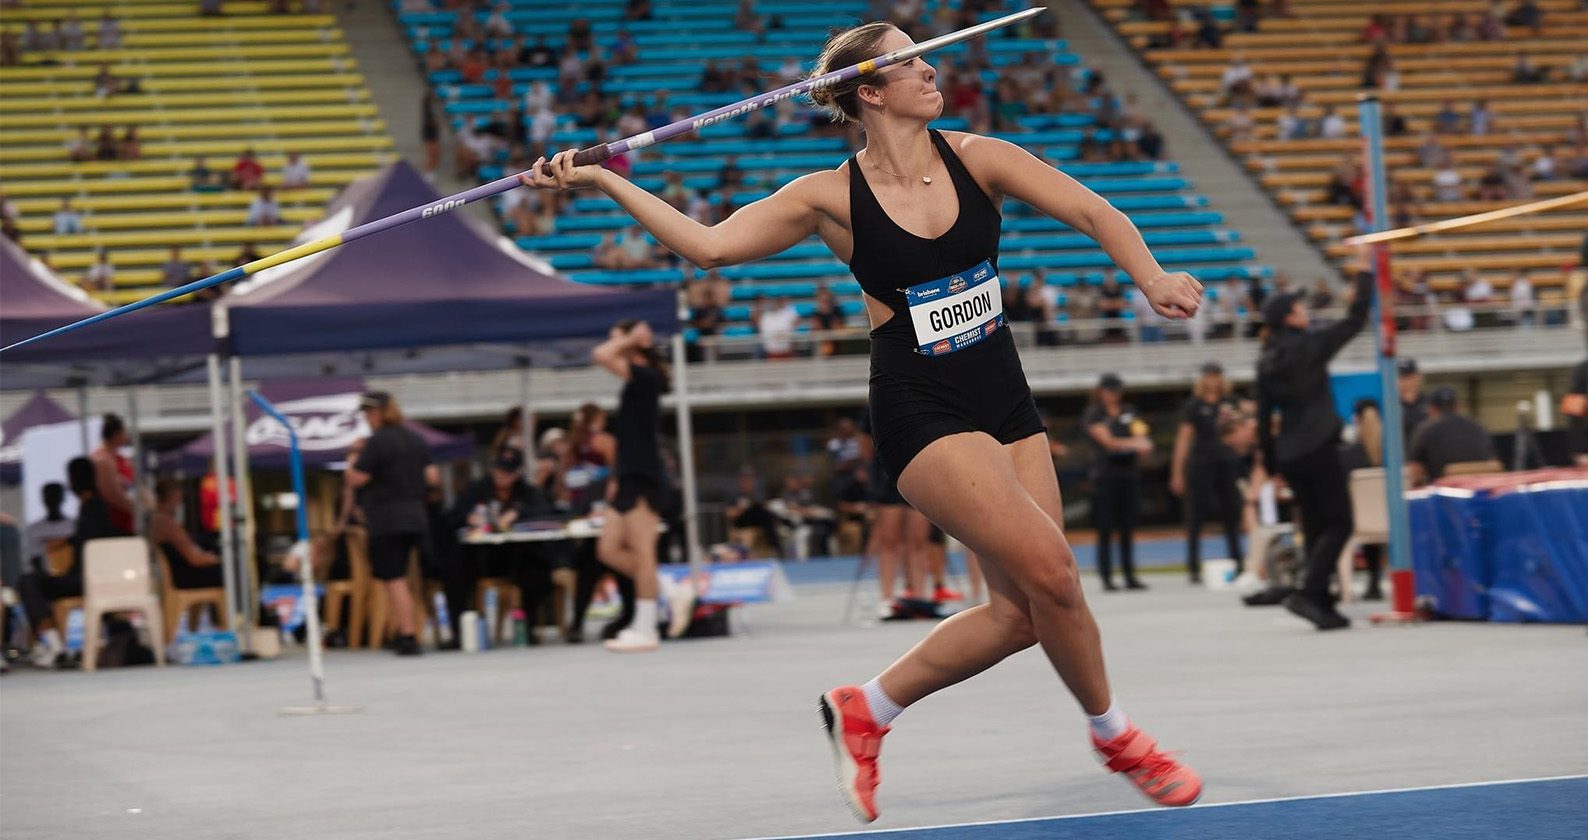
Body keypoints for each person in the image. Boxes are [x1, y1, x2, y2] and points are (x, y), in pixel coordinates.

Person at [516, 20, 1204, 819]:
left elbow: (1093, 212)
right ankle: (1117, 737)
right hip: (923, 404)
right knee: (1055, 573)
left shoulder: (981, 157)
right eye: (910, 61)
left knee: (1024, 614)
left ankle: (865, 710)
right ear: (870, 91)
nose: (931, 67)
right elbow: (710, 248)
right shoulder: (828, 197)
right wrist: (606, 181)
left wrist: (1150, 274)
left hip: (1004, 392)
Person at [1255, 270, 1374, 631]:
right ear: (1290, 317)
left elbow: (1263, 421)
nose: (1305, 311)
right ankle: (1309, 591)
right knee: (1341, 522)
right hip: (1318, 446)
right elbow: (1355, 320)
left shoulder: (1266, 360)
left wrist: (1274, 466)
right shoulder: (1308, 346)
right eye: (1299, 307)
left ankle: (1322, 602)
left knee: (1318, 525)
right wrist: (1364, 273)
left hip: (1290, 454)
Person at [588, 320, 671, 652]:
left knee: (642, 552)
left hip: (644, 475)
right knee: (607, 548)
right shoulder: (636, 378)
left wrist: (625, 339)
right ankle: (666, 587)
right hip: (626, 475)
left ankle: (646, 626)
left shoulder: (647, 376)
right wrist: (614, 476)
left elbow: (600, 354)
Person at [347, 392, 439, 656]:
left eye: (369, 413)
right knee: (410, 579)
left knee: (393, 579)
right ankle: (409, 629)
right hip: (417, 516)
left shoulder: (376, 443)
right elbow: (432, 477)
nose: (367, 418)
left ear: (379, 413)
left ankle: (407, 634)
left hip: (387, 518)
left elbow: (356, 479)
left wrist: (353, 456)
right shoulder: (415, 438)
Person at [18, 458, 128, 667]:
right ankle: (54, 645)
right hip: (85, 576)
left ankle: (54, 644)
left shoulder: (92, 509)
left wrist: (68, 541)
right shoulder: (94, 508)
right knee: (33, 581)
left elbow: (91, 539)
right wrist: (67, 541)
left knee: (29, 581)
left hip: (84, 578)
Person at [1170, 362, 1244, 584]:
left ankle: (1238, 562)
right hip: (1201, 464)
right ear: (1203, 379)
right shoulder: (1194, 405)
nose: (1214, 380)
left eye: (1217, 376)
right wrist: (1177, 472)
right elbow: (1183, 439)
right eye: (1210, 376)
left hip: (1227, 463)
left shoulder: (1230, 402)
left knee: (1232, 514)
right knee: (1196, 516)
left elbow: (1242, 430)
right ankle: (1193, 566)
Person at [1083, 374, 1150, 591]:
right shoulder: (1094, 413)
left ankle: (1130, 575)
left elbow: (1145, 439)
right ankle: (1107, 577)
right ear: (1101, 391)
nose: (1114, 395)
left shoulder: (1129, 411)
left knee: (1128, 527)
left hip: (1128, 475)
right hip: (1105, 477)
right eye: (1110, 391)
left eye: (1117, 391)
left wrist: (1131, 444)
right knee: (1105, 528)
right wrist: (1132, 444)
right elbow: (1109, 443)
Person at [1337, 399, 1386, 600]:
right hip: (1393, 522)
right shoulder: (1393, 453)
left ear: (1355, 420)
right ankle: (1375, 580)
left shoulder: (1345, 454)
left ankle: (1343, 587)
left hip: (1359, 522)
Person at [147, 478, 223, 592]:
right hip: (184, 576)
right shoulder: (166, 522)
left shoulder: (157, 519)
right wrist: (218, 559)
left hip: (180, 573)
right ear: (174, 496)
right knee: (232, 571)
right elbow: (195, 559)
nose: (181, 501)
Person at [1408, 388, 1497, 484]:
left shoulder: (1425, 430)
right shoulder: (1478, 426)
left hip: (1444, 494)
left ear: (1431, 409)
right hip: (1481, 491)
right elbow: (1492, 463)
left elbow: (1415, 472)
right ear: (1458, 406)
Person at [89, 413, 137, 535]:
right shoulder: (102, 460)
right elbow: (113, 495)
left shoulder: (119, 458)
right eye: (124, 432)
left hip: (125, 523)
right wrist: (140, 511)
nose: (127, 436)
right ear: (116, 434)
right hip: (114, 526)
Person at [1397, 358, 1428, 443]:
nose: (1406, 383)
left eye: (1410, 377)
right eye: (1402, 378)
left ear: (1418, 377)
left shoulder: (1429, 403)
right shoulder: (1390, 407)